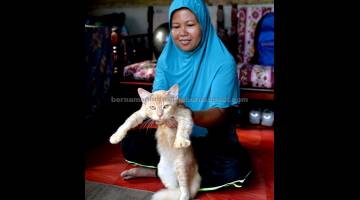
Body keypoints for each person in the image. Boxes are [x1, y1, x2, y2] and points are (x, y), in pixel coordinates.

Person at [119, 0, 252, 190]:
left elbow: (220, 113)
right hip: (171, 136)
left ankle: (160, 172)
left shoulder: (223, 62)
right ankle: (175, 170)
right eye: (176, 26)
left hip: (208, 137)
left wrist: (188, 115)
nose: (182, 33)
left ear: (203, 24)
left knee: (235, 165)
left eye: (190, 25)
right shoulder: (167, 57)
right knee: (130, 143)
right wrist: (161, 117)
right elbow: (156, 99)